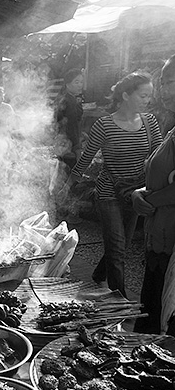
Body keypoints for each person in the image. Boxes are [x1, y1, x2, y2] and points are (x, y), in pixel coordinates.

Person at [62, 71, 161, 297]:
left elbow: (159, 155)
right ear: (126, 95)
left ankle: (99, 274)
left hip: (137, 192)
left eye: (149, 96)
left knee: (121, 244)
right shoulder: (104, 125)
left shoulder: (150, 122)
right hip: (109, 192)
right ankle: (120, 302)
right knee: (117, 249)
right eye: (143, 96)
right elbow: (85, 159)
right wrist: (67, 187)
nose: (148, 101)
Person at [132, 55, 175, 334]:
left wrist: (147, 199)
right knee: (147, 326)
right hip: (157, 244)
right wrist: (139, 193)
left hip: (172, 253)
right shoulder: (171, 128)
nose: (164, 89)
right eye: (164, 81)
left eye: (171, 81)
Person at [55, 68, 85, 169]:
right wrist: (76, 147)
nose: (80, 85)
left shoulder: (68, 98)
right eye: (76, 82)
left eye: (81, 82)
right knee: (70, 173)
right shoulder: (69, 101)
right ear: (67, 84)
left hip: (63, 143)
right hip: (68, 145)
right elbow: (70, 125)